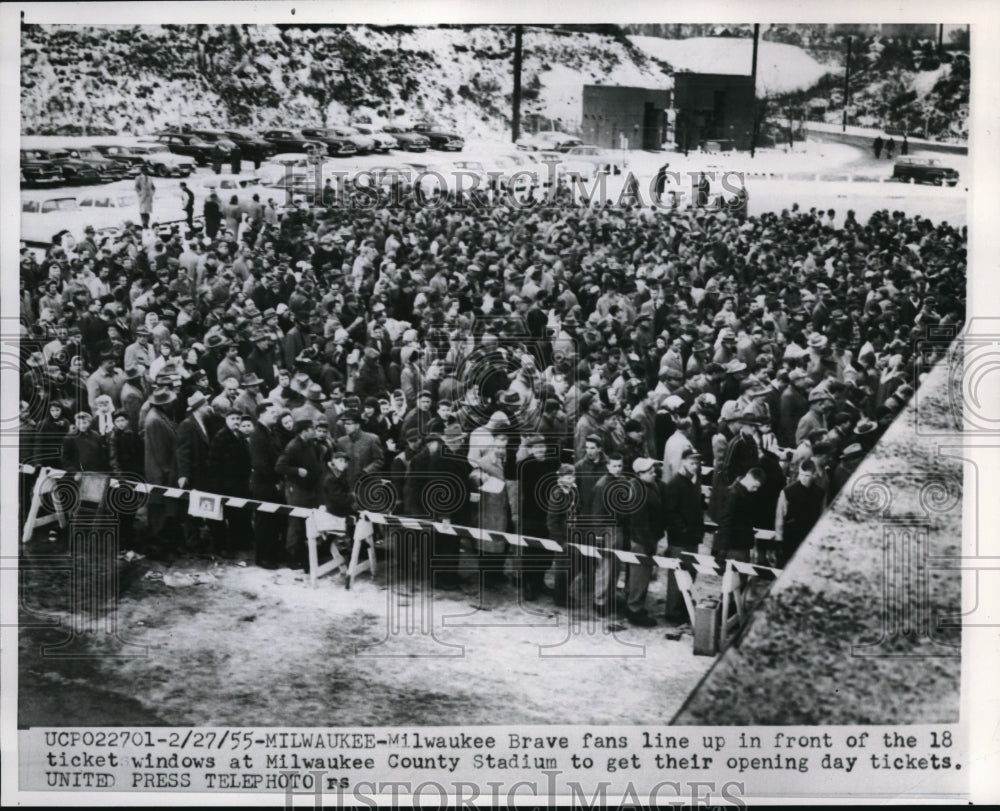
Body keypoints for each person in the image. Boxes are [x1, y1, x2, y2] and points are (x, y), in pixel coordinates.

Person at [662, 447, 705, 625]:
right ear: (683, 462)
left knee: (690, 574)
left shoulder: (692, 483)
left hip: (692, 538)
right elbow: (670, 512)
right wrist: (683, 528)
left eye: (697, 463)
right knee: (678, 576)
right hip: (680, 540)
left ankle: (683, 607)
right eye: (692, 463)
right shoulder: (675, 484)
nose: (695, 466)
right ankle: (672, 611)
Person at [275, 419, 323, 570]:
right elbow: (279, 466)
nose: (315, 431)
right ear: (304, 431)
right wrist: (297, 471)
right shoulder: (293, 446)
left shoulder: (309, 443)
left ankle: (304, 555)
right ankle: (292, 557)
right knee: (296, 524)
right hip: (297, 490)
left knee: (306, 524)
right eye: (312, 429)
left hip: (309, 489)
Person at [625, 457, 667, 627]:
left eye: (653, 471)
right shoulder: (638, 491)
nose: (653, 474)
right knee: (639, 576)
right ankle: (634, 609)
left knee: (643, 575)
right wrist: (648, 543)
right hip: (642, 541)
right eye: (649, 472)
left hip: (650, 538)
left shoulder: (650, 485)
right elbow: (639, 522)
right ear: (639, 474)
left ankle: (636, 604)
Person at [207, 411, 254, 555]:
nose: (236, 421)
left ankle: (238, 542)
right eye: (233, 418)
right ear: (226, 420)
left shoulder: (238, 436)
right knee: (221, 517)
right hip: (224, 484)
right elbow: (214, 462)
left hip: (238, 483)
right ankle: (221, 547)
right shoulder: (221, 437)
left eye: (238, 419)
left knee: (237, 514)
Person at [773, 459, 825, 567]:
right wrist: (779, 540)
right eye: (801, 474)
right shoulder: (787, 492)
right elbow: (779, 518)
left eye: (807, 476)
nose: (803, 478)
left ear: (814, 475)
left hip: (809, 537)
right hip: (791, 537)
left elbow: (822, 517)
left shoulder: (820, 493)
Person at [714, 467, 766, 564]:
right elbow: (726, 522)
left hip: (740, 543)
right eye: (754, 486)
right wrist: (723, 548)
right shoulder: (734, 495)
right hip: (734, 545)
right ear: (749, 478)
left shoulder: (742, 493)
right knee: (737, 575)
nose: (755, 490)